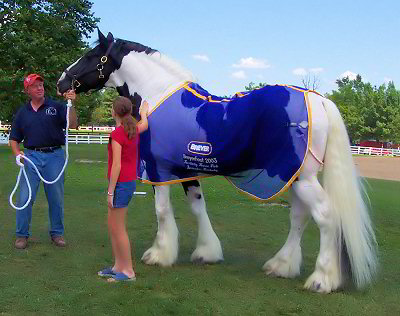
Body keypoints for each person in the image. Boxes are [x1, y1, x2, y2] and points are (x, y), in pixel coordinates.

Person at [9, 73, 78, 249]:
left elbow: (73, 124)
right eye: (35, 86)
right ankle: (22, 235)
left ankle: (57, 233)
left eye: (41, 85)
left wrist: (72, 105)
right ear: (27, 91)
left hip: (55, 157)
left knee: (56, 198)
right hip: (31, 158)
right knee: (25, 197)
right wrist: (18, 154)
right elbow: (14, 138)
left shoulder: (56, 107)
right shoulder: (22, 113)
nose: (39, 88)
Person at [97, 96, 149, 282]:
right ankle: (118, 266)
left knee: (118, 229)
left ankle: (128, 272)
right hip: (126, 184)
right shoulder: (133, 129)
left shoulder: (118, 134)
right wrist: (144, 112)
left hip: (121, 185)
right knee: (113, 227)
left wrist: (110, 192)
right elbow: (145, 124)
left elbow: (116, 166)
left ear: (114, 112)